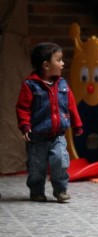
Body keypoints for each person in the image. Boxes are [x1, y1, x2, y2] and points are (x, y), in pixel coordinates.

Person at [16, 42, 83, 203]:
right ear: (46, 65)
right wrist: (25, 125)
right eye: (59, 60)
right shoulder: (30, 85)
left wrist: (77, 124)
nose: (63, 63)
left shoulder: (63, 85)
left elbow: (71, 105)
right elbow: (22, 108)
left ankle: (60, 190)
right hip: (37, 136)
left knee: (60, 161)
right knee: (37, 167)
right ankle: (37, 190)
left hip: (58, 135)